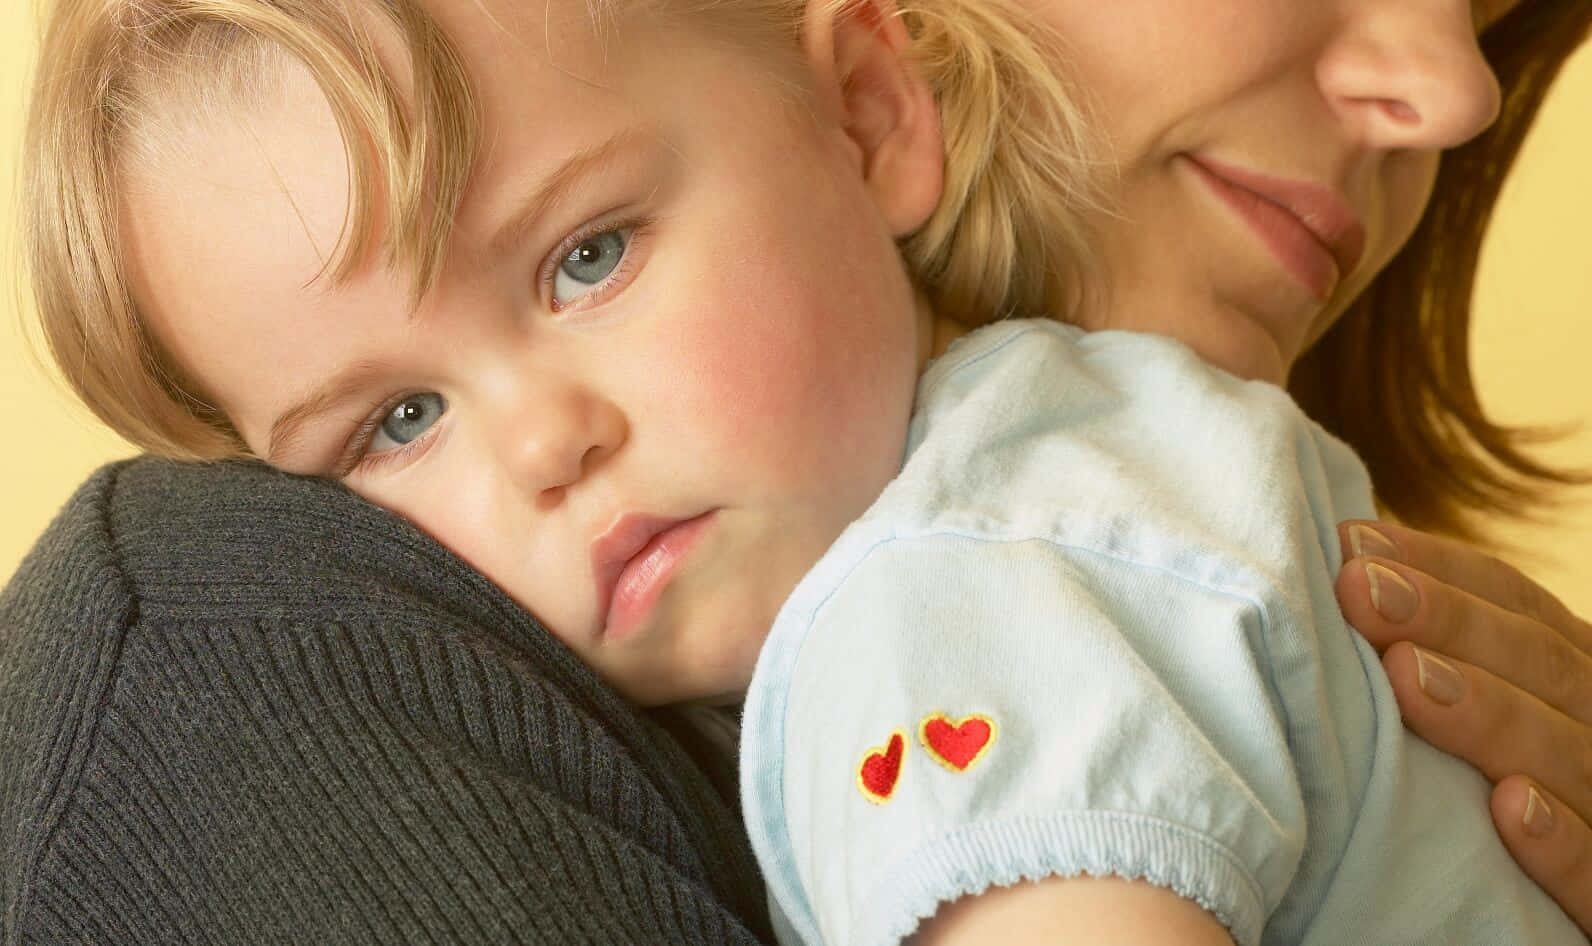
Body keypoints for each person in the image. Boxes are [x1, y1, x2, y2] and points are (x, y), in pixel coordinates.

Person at [4, 0, 1589, 941]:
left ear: (865, 104)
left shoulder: (956, 585)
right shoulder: (1099, 476)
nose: (544, 444)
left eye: (591, 256)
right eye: (395, 424)